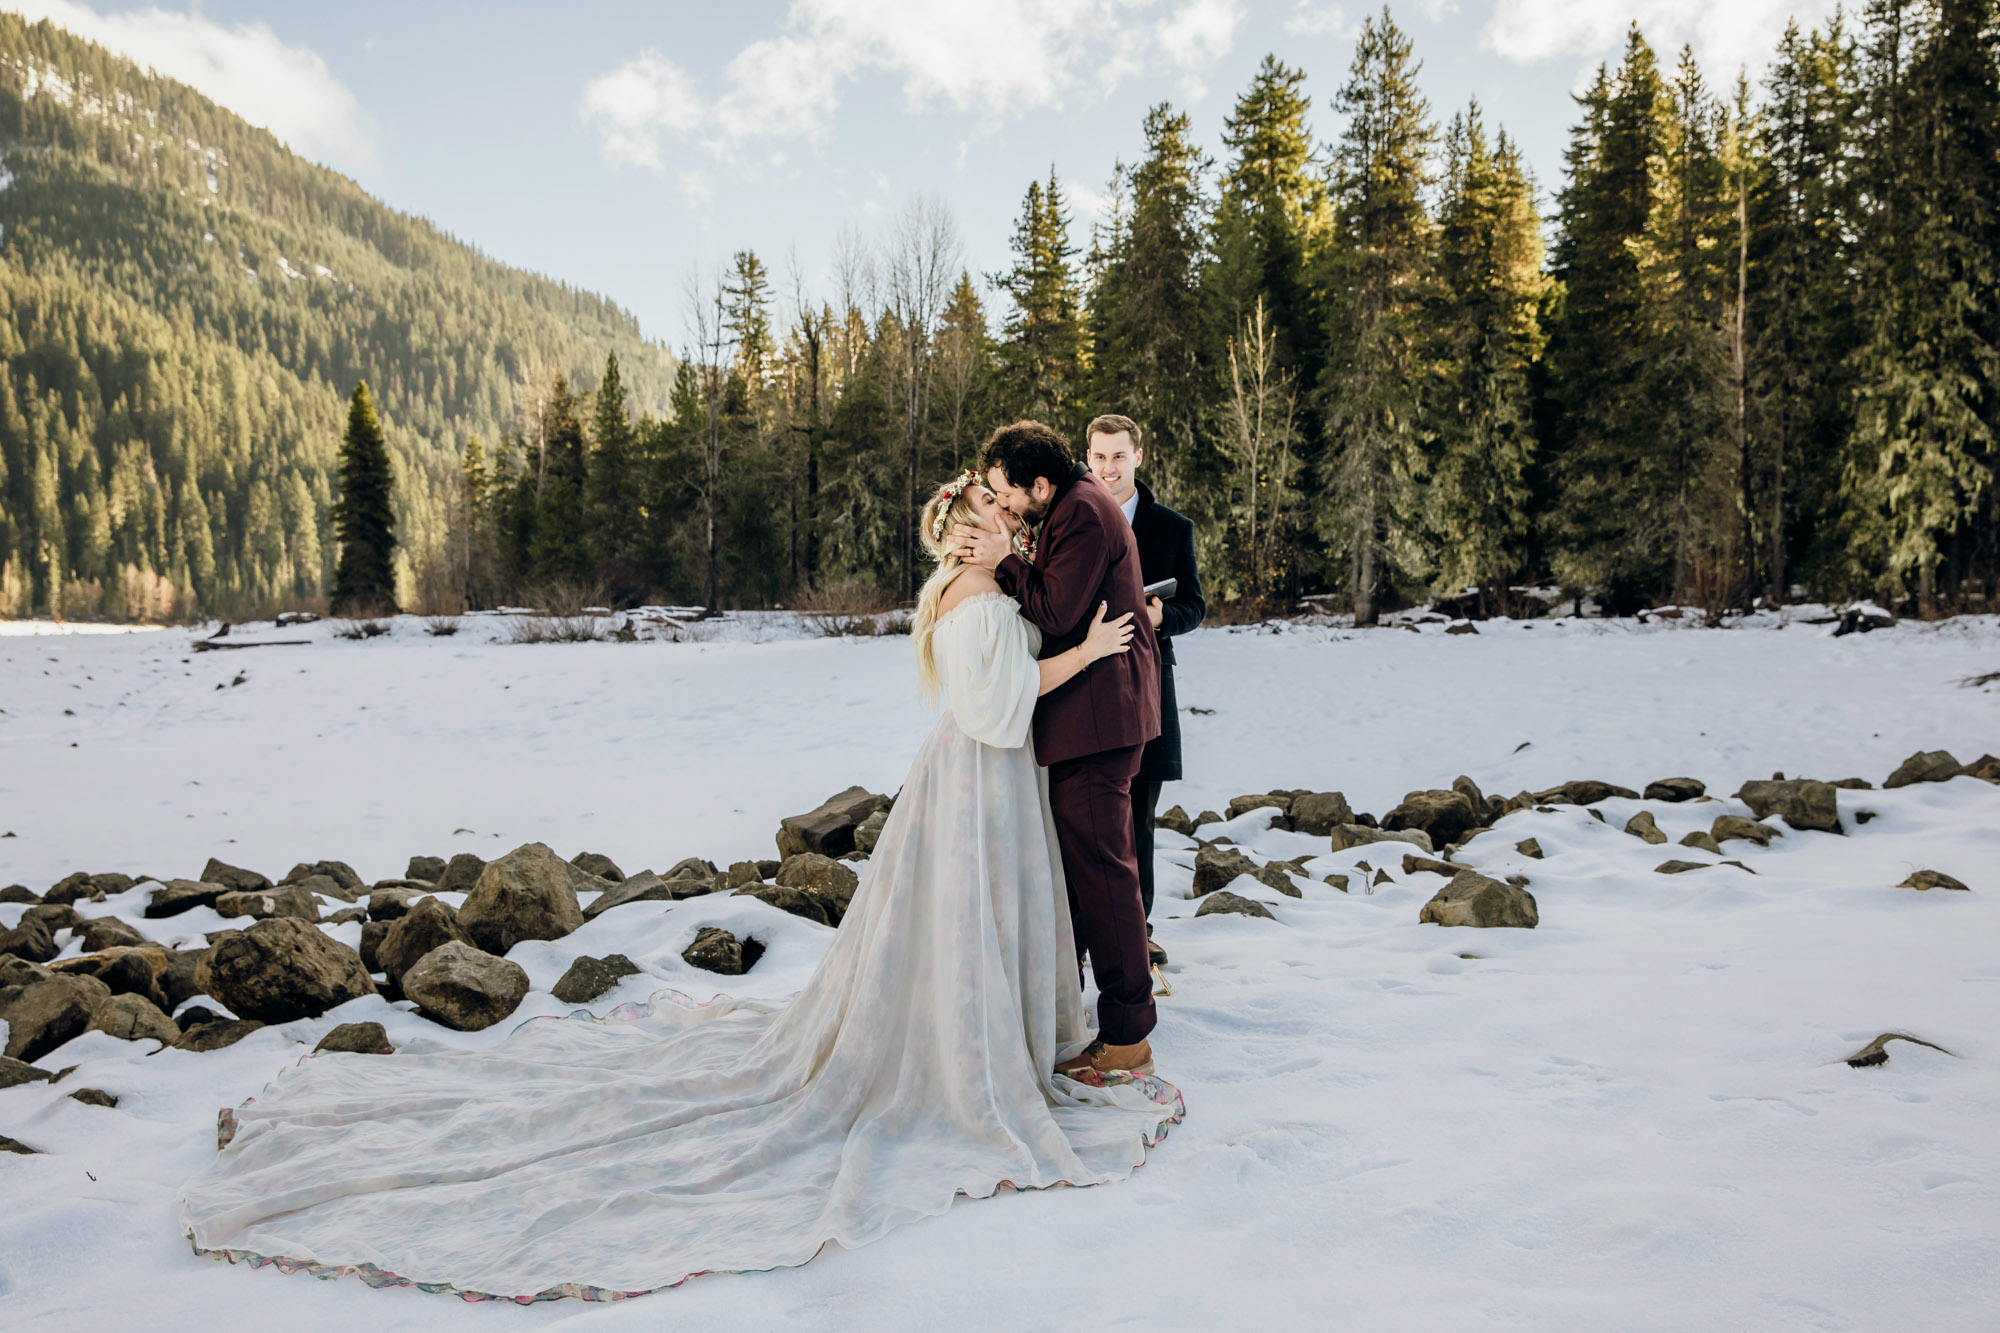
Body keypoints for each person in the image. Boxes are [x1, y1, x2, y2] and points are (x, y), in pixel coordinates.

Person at [175, 471, 1182, 1305]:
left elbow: (1023, 648)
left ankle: (1002, 1034)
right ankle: (974, 1055)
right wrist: (1090, 650)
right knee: (956, 929)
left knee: (962, 933)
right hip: (978, 782)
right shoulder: (972, 598)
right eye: (980, 519)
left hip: (986, 786)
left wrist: (1077, 621)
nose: (998, 523)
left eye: (999, 513)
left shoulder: (990, 583)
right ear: (954, 541)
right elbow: (1001, 706)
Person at [951, 420, 1163, 1082]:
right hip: (1093, 719)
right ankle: (1088, 1011)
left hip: (1099, 721)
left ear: (1038, 483)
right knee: (1095, 873)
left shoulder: (1081, 514)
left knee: (1105, 875)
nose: (1008, 508)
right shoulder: (1071, 505)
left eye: (1008, 495)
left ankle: (1128, 1033)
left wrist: (999, 562)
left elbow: (1055, 611)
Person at [1083, 414, 1205, 972]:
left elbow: (1195, 607)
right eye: (1099, 457)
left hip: (1150, 683)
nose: (1108, 469)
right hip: (1081, 684)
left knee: (1139, 815)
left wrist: (1162, 615)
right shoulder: (1072, 517)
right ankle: (1082, 936)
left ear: (1138, 457)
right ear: (1088, 458)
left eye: (1118, 457)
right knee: (1084, 814)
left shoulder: (1173, 528)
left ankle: (1140, 932)